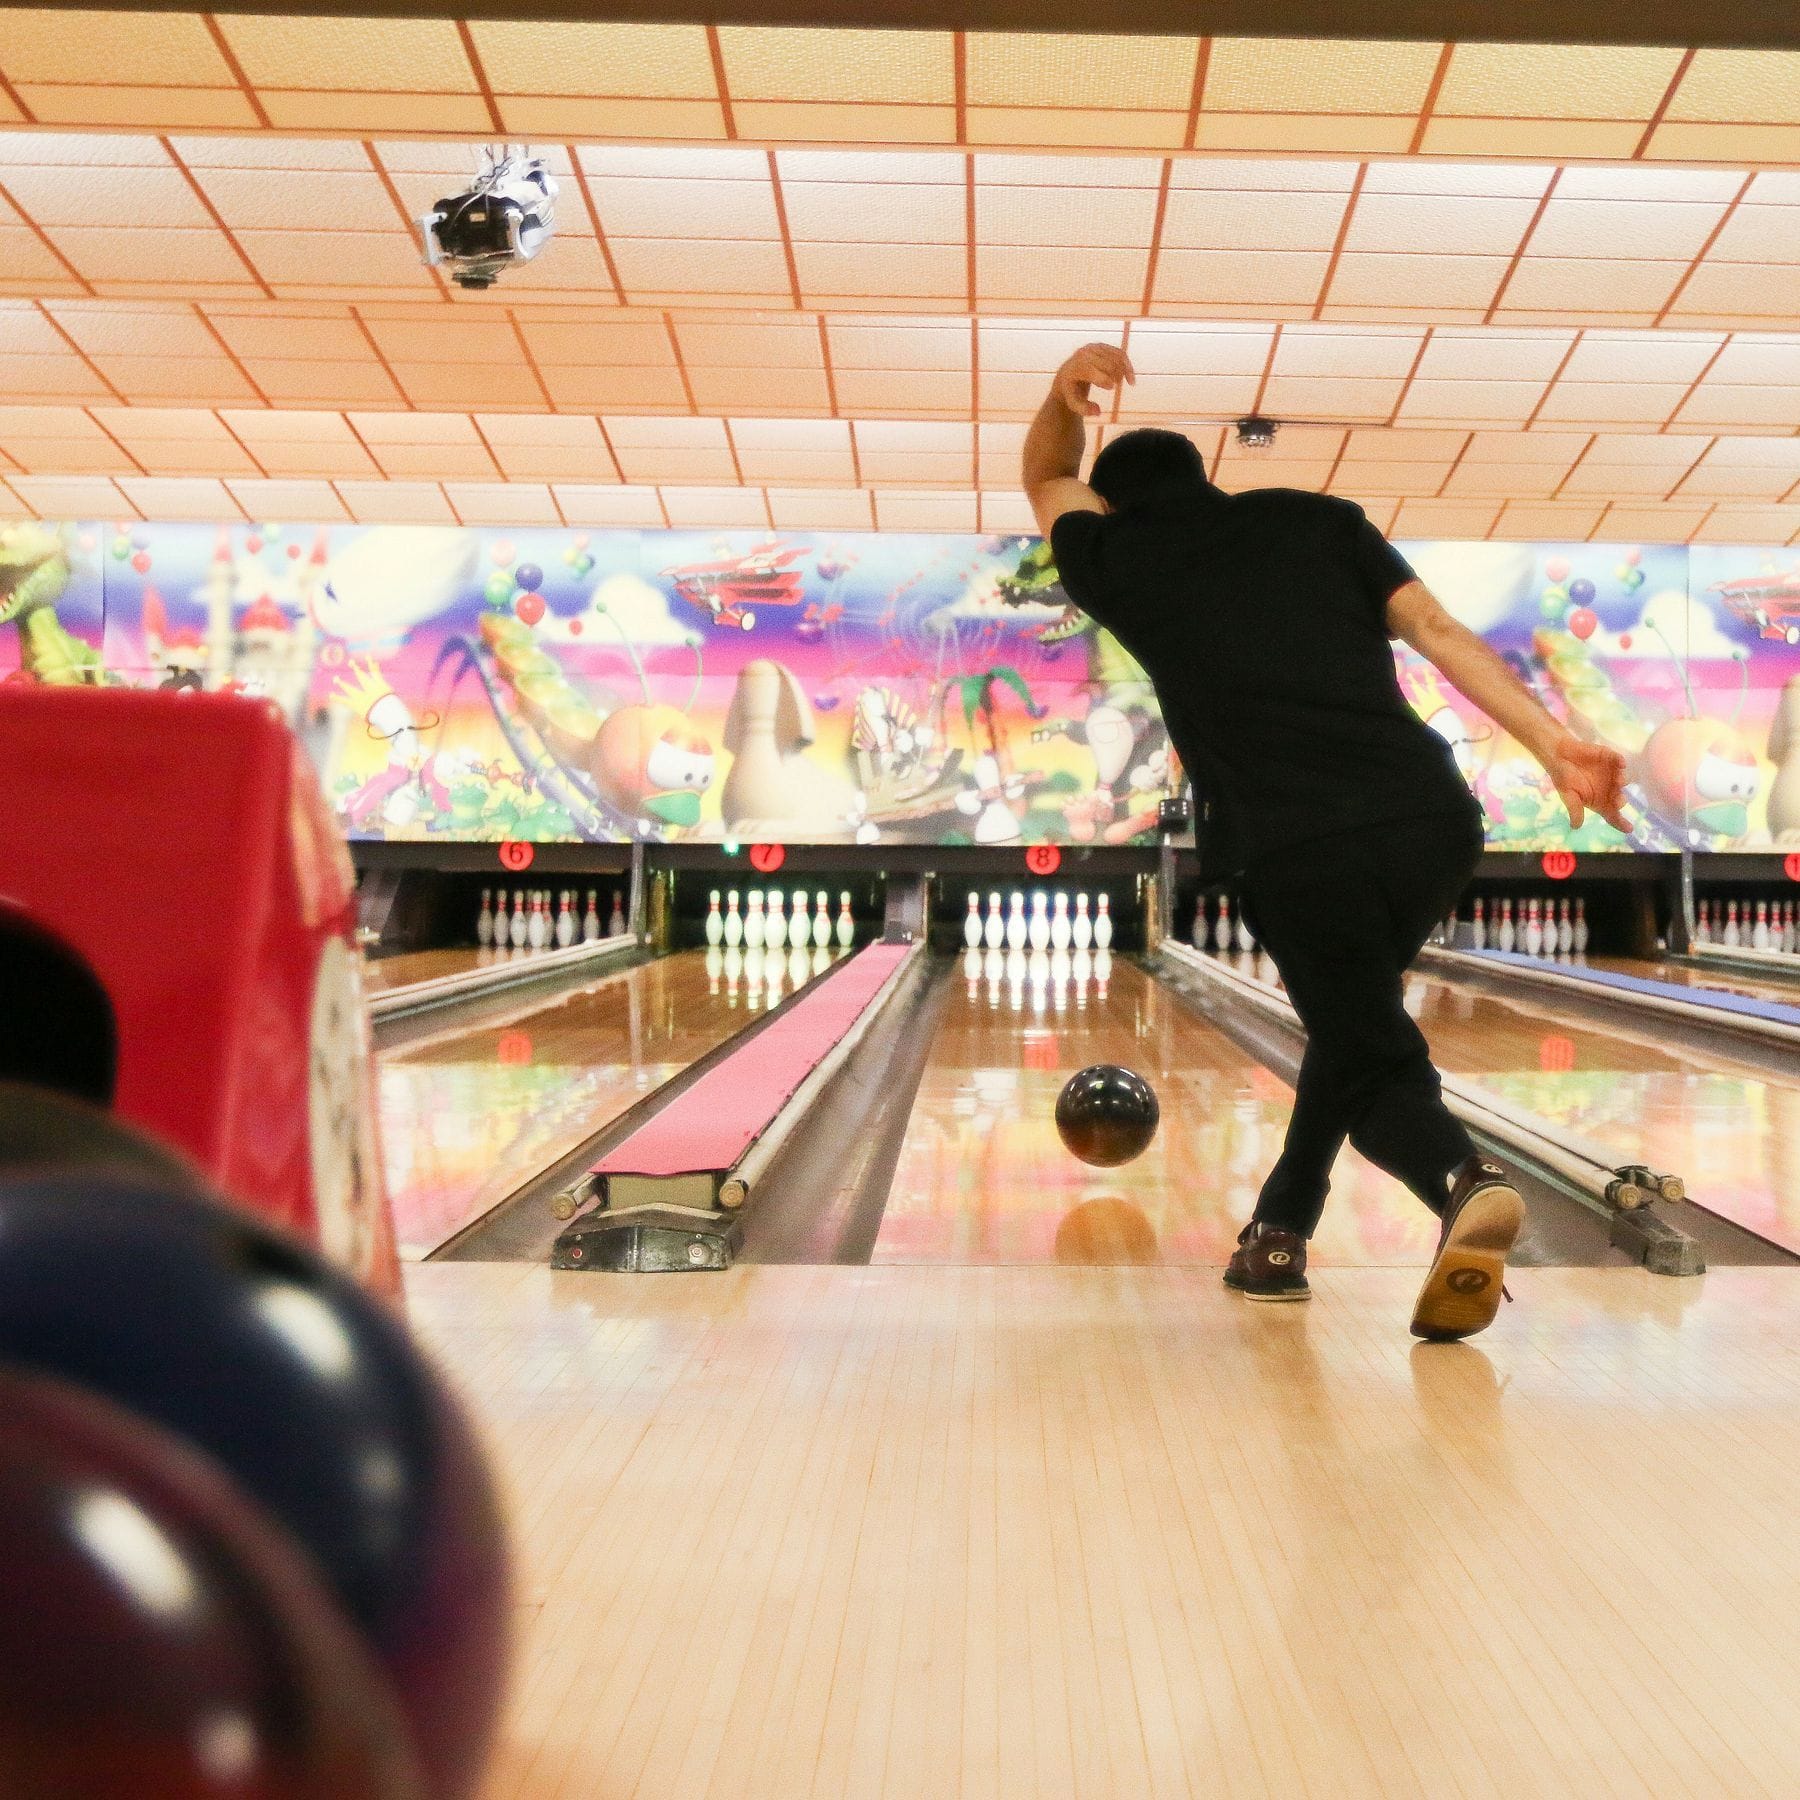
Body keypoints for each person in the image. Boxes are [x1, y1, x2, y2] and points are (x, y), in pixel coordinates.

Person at [1022, 342, 1629, 1341]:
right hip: (1430, 817)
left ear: (1117, 507)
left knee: (1377, 1061)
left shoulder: (1117, 557)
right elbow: (1434, 629)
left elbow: (1046, 474)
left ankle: (1458, 1177)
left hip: (1295, 846)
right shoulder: (1322, 521)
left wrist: (1060, 397)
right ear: (1208, 480)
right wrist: (1553, 742)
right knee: (1355, 1033)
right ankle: (1278, 1231)